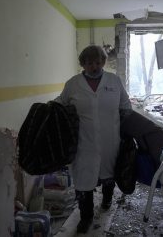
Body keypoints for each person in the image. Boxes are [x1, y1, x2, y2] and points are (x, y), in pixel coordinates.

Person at [54, 45, 132, 233]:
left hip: (109, 141)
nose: (94, 66)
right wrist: (48, 109)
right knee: (83, 182)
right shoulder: (73, 84)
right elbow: (60, 103)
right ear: (83, 64)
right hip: (83, 143)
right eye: (89, 63)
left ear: (103, 62)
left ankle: (107, 200)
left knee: (109, 176)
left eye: (98, 62)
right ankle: (86, 217)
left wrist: (124, 130)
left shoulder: (114, 81)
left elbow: (126, 106)